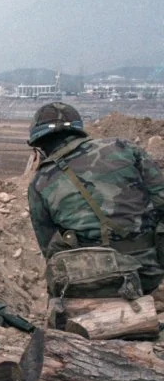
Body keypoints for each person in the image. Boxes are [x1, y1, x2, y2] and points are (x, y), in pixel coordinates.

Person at [27, 101, 164, 294]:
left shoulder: (39, 183)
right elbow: (161, 199)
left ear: (40, 145)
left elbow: (48, 248)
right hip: (148, 273)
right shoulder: (124, 148)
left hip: (89, 283)